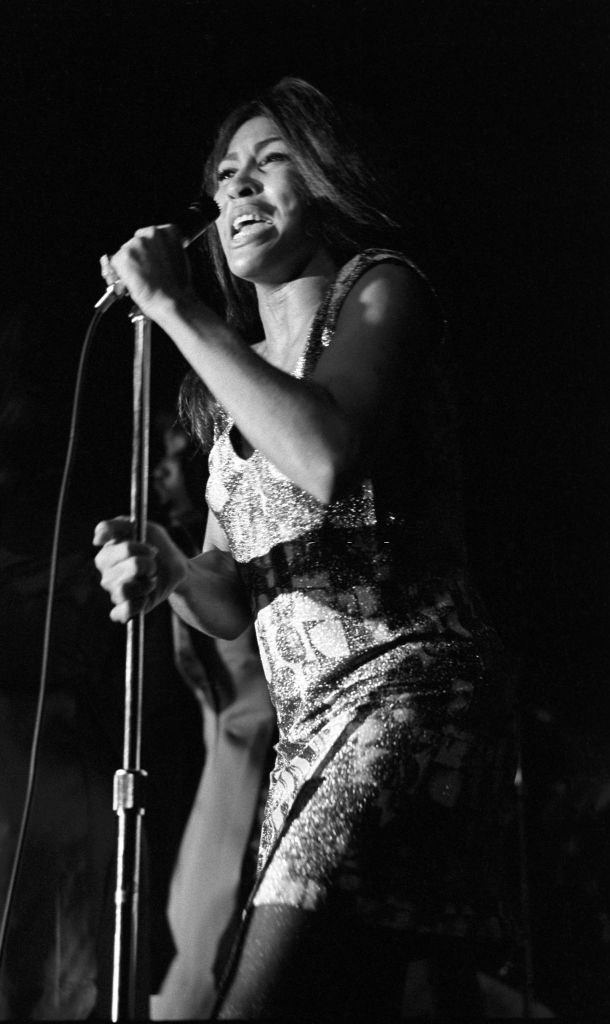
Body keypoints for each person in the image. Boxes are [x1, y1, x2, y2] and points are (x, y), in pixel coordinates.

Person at [94, 77, 512, 1019]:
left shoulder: (383, 290)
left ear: (324, 177)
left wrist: (172, 308)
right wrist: (171, 567)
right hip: (308, 734)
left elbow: (324, 454)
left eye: (267, 162)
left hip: (407, 693)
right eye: (224, 176)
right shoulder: (227, 394)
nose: (236, 189)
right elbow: (231, 594)